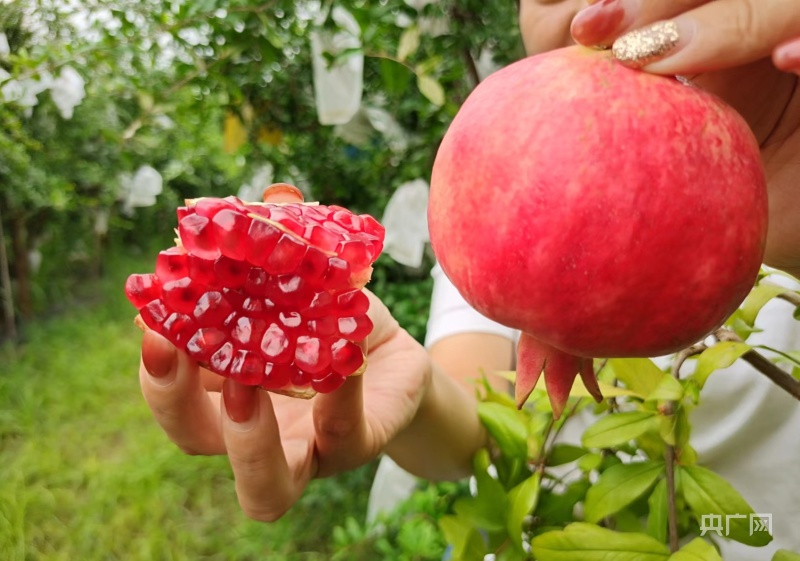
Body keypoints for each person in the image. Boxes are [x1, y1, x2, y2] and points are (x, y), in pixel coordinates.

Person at [137, 0, 800, 557]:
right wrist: (413, 393)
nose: (596, 10)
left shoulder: (737, 154)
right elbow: (475, 430)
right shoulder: (510, 158)